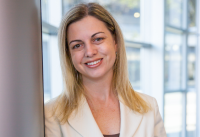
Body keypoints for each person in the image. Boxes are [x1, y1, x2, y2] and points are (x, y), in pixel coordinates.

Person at [45, 3, 167, 137]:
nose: (90, 52)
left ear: (115, 42)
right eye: (77, 45)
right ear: (68, 54)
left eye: (98, 39)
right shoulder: (52, 114)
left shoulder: (149, 107)